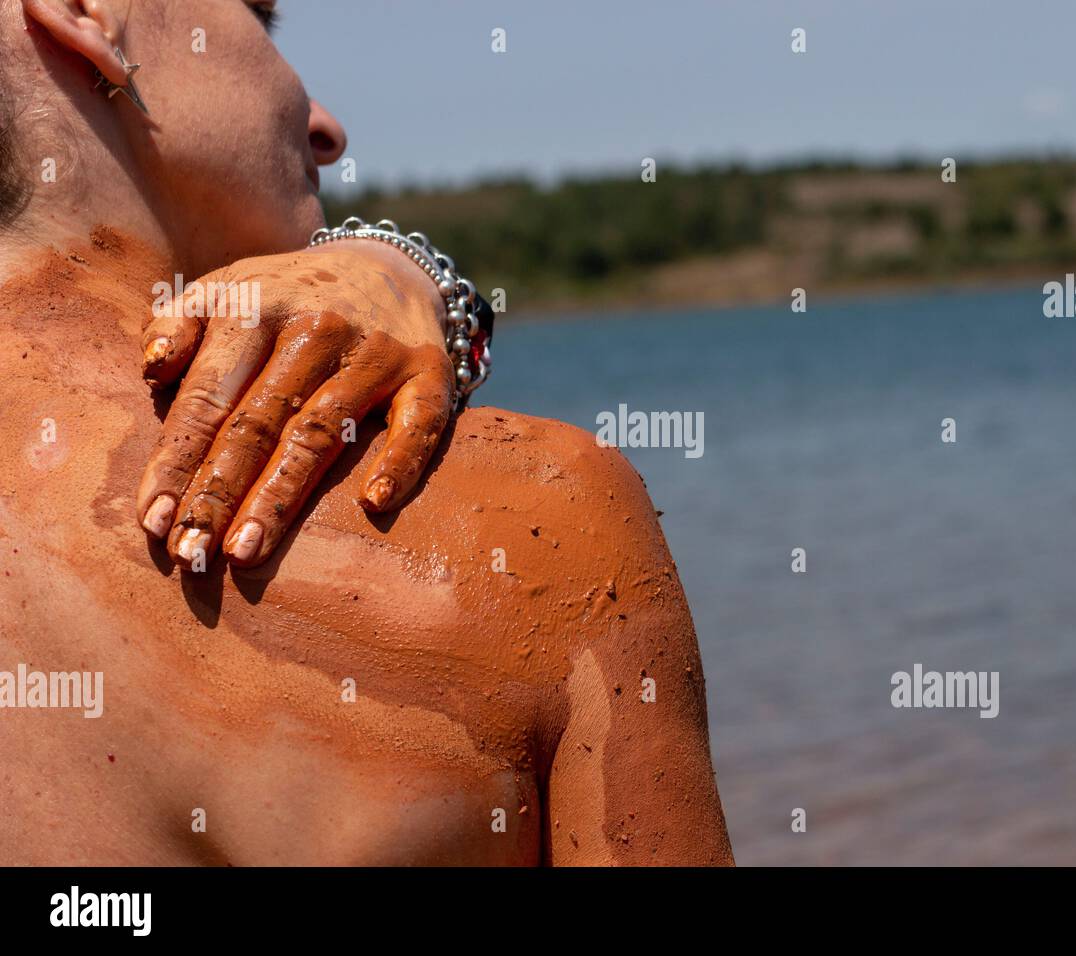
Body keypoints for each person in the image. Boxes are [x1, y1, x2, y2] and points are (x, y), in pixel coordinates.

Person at [0, 0, 732, 866]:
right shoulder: (541, 517)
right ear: (88, 14)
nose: (327, 129)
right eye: (260, 18)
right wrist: (413, 271)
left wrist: (402, 267)